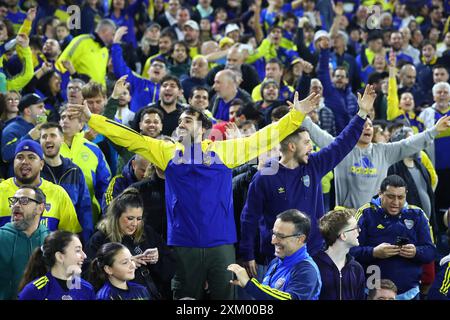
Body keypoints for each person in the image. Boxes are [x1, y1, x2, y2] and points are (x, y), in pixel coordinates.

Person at [67, 90, 321, 300]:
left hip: (220, 244)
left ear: (205, 128)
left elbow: (264, 137)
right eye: (179, 121)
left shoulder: (224, 151)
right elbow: (131, 138)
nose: (181, 124)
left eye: (188, 120)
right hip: (184, 244)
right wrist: (93, 119)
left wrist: (296, 114)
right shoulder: (167, 152)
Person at [240, 85, 376, 279]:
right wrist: (247, 254)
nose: (311, 146)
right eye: (306, 143)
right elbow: (249, 218)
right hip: (275, 257)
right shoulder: (265, 176)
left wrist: (362, 113)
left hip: (313, 253)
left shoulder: (314, 165)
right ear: (292, 146)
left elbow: (341, 144)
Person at [301, 101, 450, 210]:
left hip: (376, 217)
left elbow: (408, 144)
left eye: (370, 125)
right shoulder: (340, 148)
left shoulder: (383, 151)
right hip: (347, 218)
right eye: (363, 125)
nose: (367, 128)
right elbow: (318, 134)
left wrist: (434, 131)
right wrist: (301, 116)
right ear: (353, 128)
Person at [350, 175, 436, 300]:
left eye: (400, 197)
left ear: (406, 194)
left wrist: (416, 252)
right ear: (380, 193)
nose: (395, 202)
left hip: (409, 294)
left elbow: (431, 252)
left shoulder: (417, 214)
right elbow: (349, 251)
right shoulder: (366, 213)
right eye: (390, 196)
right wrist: (373, 252)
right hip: (372, 293)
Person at [86, 188, 176, 300]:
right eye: (130, 218)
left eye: (139, 219)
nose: (134, 224)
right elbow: (90, 277)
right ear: (116, 216)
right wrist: (125, 263)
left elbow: (169, 272)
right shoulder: (99, 239)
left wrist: (158, 260)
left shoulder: (147, 233)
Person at [228, 209, 321, 300]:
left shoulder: (307, 270)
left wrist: (249, 284)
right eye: (274, 234)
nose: (273, 241)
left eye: (281, 236)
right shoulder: (276, 261)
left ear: (300, 239)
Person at [0, 140, 81, 234]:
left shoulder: (58, 193)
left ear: (41, 164)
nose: (24, 162)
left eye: (31, 157)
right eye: (19, 157)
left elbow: (70, 235)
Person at [39, 122, 93, 243]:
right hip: (41, 238)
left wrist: (85, 241)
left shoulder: (74, 171)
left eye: (53, 135)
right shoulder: (35, 171)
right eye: (44, 136)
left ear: (62, 139)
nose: (48, 140)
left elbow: (84, 209)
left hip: (69, 238)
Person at [59, 106, 111, 226]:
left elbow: (104, 184)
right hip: (56, 214)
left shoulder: (93, 149)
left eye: (70, 117)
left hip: (89, 215)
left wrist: (103, 213)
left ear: (81, 124)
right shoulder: (51, 148)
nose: (65, 120)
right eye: (62, 117)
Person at [0, 186, 50, 300]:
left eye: (24, 201)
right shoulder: (1, 237)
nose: (16, 205)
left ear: (40, 208)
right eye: (14, 200)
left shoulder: (50, 241)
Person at [17, 230, 94, 300]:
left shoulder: (87, 289)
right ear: (60, 257)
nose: (84, 256)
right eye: (77, 250)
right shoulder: (33, 291)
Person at [313, 209, 365, 300]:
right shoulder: (313, 266)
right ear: (343, 235)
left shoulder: (356, 268)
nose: (359, 230)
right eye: (355, 228)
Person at [56, 19, 117, 87]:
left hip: (96, 95)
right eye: (113, 34)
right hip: (78, 92)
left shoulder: (105, 51)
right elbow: (61, 64)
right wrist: (75, 80)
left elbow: (100, 77)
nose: (113, 38)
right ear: (105, 31)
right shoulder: (82, 41)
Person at [1, 93, 46, 177]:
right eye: (40, 107)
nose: (44, 110)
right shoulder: (12, 129)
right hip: (19, 183)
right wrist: (29, 137)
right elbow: (6, 155)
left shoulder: (39, 127)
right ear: (28, 111)